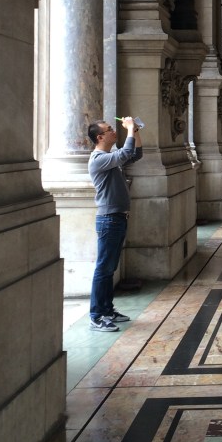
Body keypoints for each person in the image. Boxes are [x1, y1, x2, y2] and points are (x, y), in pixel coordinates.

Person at [86, 116, 143, 332]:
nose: (113, 131)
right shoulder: (98, 159)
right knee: (103, 269)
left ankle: (107, 310)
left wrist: (135, 131)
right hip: (108, 220)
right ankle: (97, 316)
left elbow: (136, 154)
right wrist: (129, 128)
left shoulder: (109, 157)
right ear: (100, 137)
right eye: (109, 130)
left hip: (117, 218)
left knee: (109, 268)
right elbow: (126, 152)